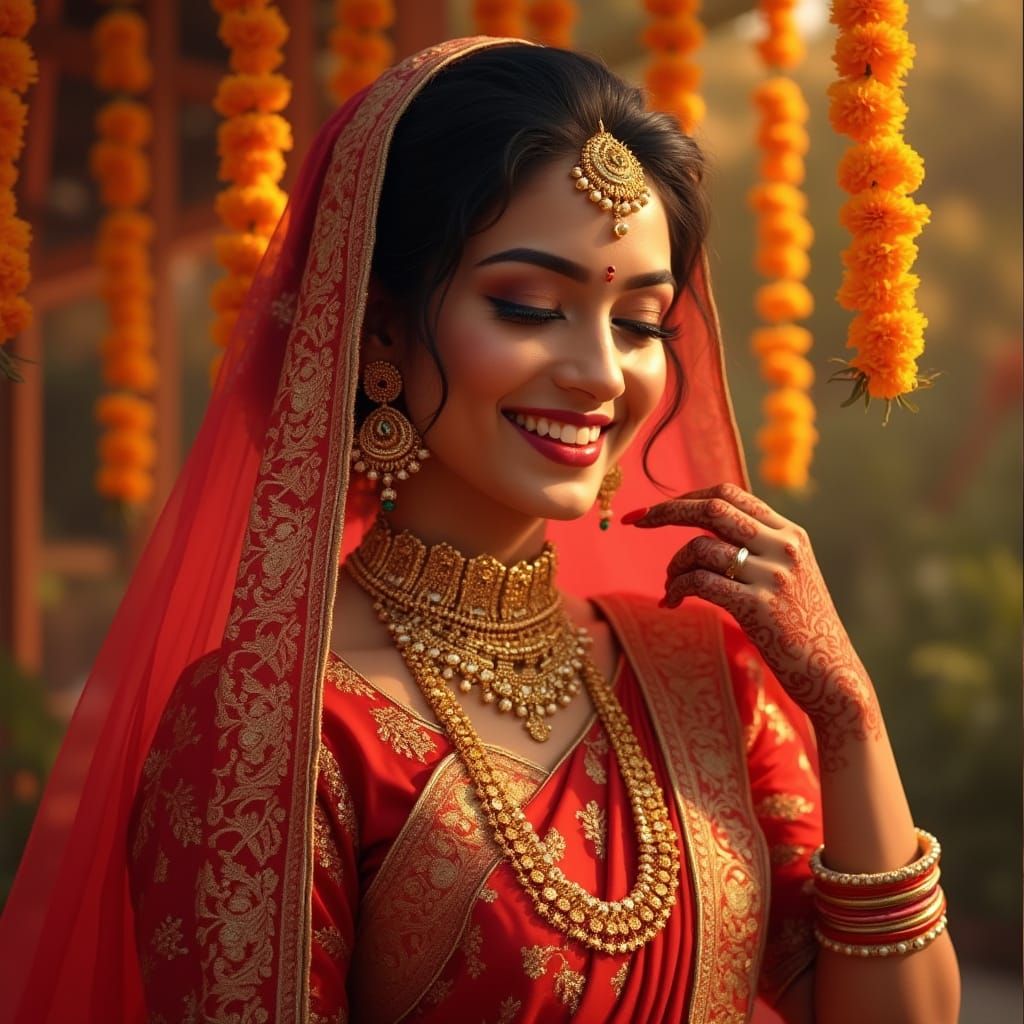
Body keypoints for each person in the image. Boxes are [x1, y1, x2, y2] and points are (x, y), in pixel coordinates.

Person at [0, 38, 960, 1024]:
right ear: (379, 332)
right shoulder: (272, 733)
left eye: (639, 323)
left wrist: (847, 715)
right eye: (527, 305)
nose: (598, 371)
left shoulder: (704, 674)